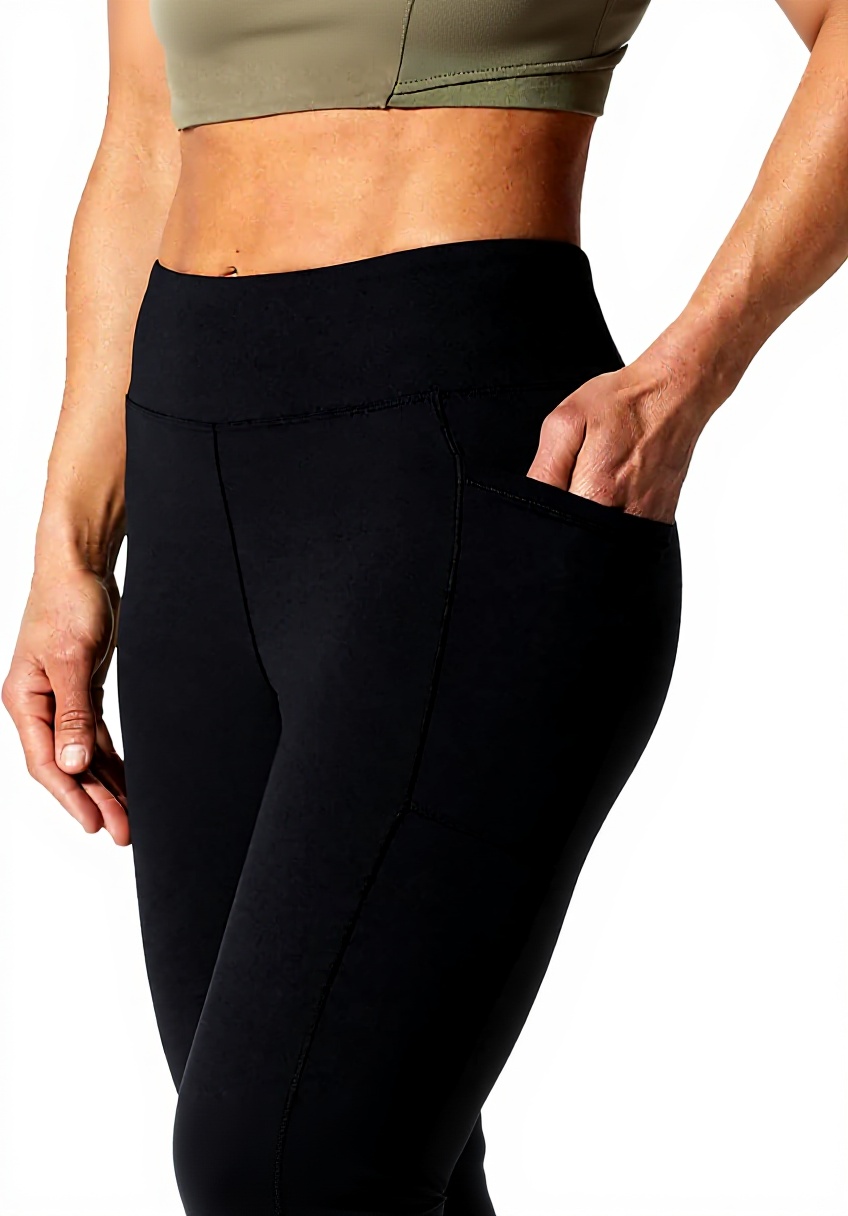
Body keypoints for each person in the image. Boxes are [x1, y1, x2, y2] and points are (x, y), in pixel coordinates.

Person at [3, 1, 847, 1213]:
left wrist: (686, 373)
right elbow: (143, 136)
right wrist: (70, 545)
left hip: (459, 467)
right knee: (352, 1163)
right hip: (191, 483)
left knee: (283, 1165)